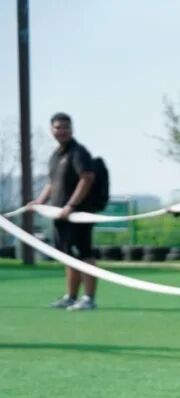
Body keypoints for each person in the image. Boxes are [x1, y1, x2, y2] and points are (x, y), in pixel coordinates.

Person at [29, 112, 98, 310]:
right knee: (68, 256)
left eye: (66, 127)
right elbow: (53, 182)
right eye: (58, 127)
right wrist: (40, 202)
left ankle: (89, 298)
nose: (62, 131)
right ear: (52, 130)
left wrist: (71, 206)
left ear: (72, 129)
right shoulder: (56, 155)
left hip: (77, 215)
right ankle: (71, 296)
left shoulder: (78, 152)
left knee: (84, 255)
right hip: (59, 215)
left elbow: (87, 178)